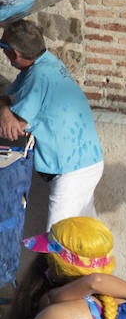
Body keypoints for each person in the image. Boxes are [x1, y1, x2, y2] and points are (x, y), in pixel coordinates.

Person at [0, 20, 104, 228]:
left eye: (3, 48)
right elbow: (7, 100)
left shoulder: (39, 75)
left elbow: (14, 128)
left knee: (57, 240)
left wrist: (6, 115)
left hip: (72, 170)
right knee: (82, 236)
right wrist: (4, 111)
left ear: (15, 53)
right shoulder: (44, 63)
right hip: (85, 163)